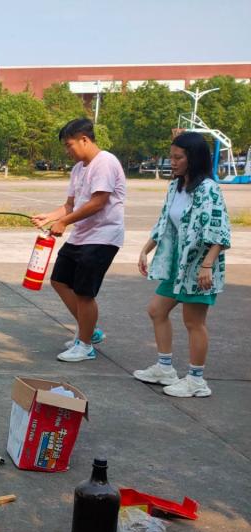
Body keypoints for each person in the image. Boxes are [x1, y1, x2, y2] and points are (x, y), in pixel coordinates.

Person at [134, 132, 231, 398]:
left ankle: (196, 380)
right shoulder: (175, 187)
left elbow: (220, 232)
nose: (172, 162)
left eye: (178, 157)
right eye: (171, 157)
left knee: (193, 321)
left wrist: (207, 266)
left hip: (200, 265)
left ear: (194, 159)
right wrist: (146, 250)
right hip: (177, 262)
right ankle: (165, 368)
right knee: (156, 310)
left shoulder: (208, 189)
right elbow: (165, 222)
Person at [32, 118, 126, 362]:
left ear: (84, 139)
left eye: (69, 144)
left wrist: (64, 222)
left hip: (103, 236)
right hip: (82, 236)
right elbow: (70, 205)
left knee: (84, 293)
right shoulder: (78, 169)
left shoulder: (105, 162)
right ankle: (89, 330)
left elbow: (98, 202)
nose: (67, 150)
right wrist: (50, 217)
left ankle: (85, 345)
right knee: (59, 280)